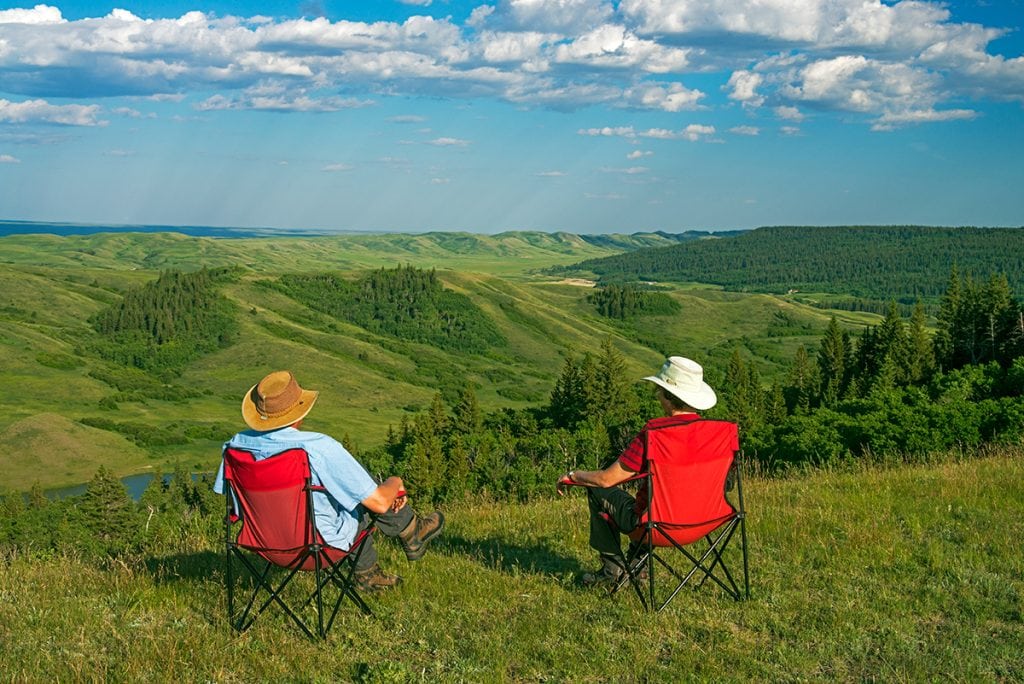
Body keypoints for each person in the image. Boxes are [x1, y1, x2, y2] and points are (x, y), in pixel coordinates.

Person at [214, 370, 445, 592]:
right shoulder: (318, 448)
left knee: (351, 486)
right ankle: (406, 535)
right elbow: (380, 505)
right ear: (299, 411)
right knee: (360, 498)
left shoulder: (235, 446)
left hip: (263, 546)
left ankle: (391, 551)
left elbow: (235, 504)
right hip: (318, 545)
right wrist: (396, 482)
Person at [556, 356, 717, 586]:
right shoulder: (714, 434)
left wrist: (573, 476)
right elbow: (725, 484)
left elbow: (606, 479)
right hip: (706, 522)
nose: (657, 394)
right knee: (651, 504)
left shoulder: (655, 435)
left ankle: (612, 570)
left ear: (669, 398)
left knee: (596, 490)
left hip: (656, 527)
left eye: (659, 390)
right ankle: (637, 566)